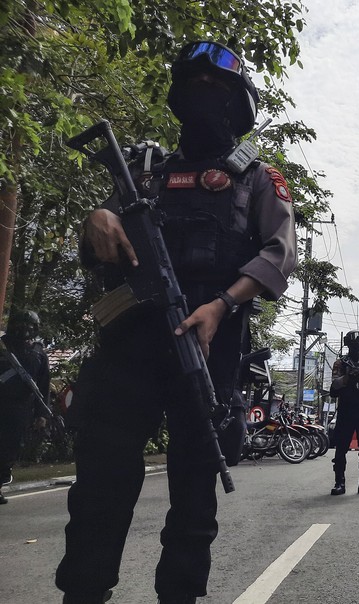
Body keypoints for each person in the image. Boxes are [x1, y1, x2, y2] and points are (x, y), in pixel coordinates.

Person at [56, 40, 297, 604]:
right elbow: (103, 237)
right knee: (100, 490)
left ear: (239, 108)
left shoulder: (258, 178)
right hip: (130, 348)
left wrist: (223, 304)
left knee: (194, 496)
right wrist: (96, 218)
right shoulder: (146, 171)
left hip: (209, 354)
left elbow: (280, 253)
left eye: (216, 90)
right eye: (193, 86)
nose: (203, 98)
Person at [0, 310, 51, 505]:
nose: (25, 330)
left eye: (29, 326)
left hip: (20, 410)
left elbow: (43, 387)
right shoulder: (2, 346)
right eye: (22, 325)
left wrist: (42, 414)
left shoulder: (38, 353)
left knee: (8, 449)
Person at [329, 330, 359, 496]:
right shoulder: (340, 364)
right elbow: (334, 386)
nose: (357, 347)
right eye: (353, 345)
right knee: (341, 448)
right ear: (347, 345)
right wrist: (348, 377)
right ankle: (339, 482)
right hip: (346, 409)